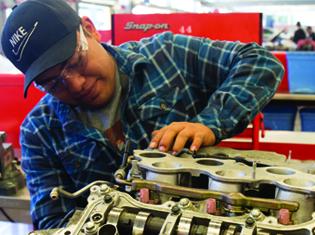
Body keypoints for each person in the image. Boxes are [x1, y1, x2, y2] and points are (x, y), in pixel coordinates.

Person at [1, 0, 283, 230]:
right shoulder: (39, 131)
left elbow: (259, 63)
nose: (75, 83)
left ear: (89, 29)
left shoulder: (168, 56)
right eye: (52, 82)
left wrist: (209, 123)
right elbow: (53, 222)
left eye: (75, 62)